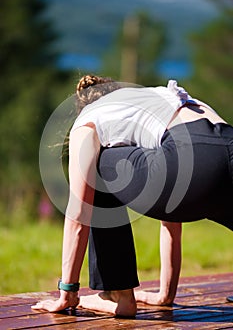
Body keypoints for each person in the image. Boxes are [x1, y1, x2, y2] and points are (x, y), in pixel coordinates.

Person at [32, 75, 233, 316]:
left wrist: (67, 292)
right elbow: (172, 211)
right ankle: (128, 295)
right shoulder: (158, 98)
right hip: (225, 141)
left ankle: (119, 295)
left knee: (96, 166)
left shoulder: (89, 119)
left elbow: (79, 211)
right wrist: (165, 295)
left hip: (192, 161)